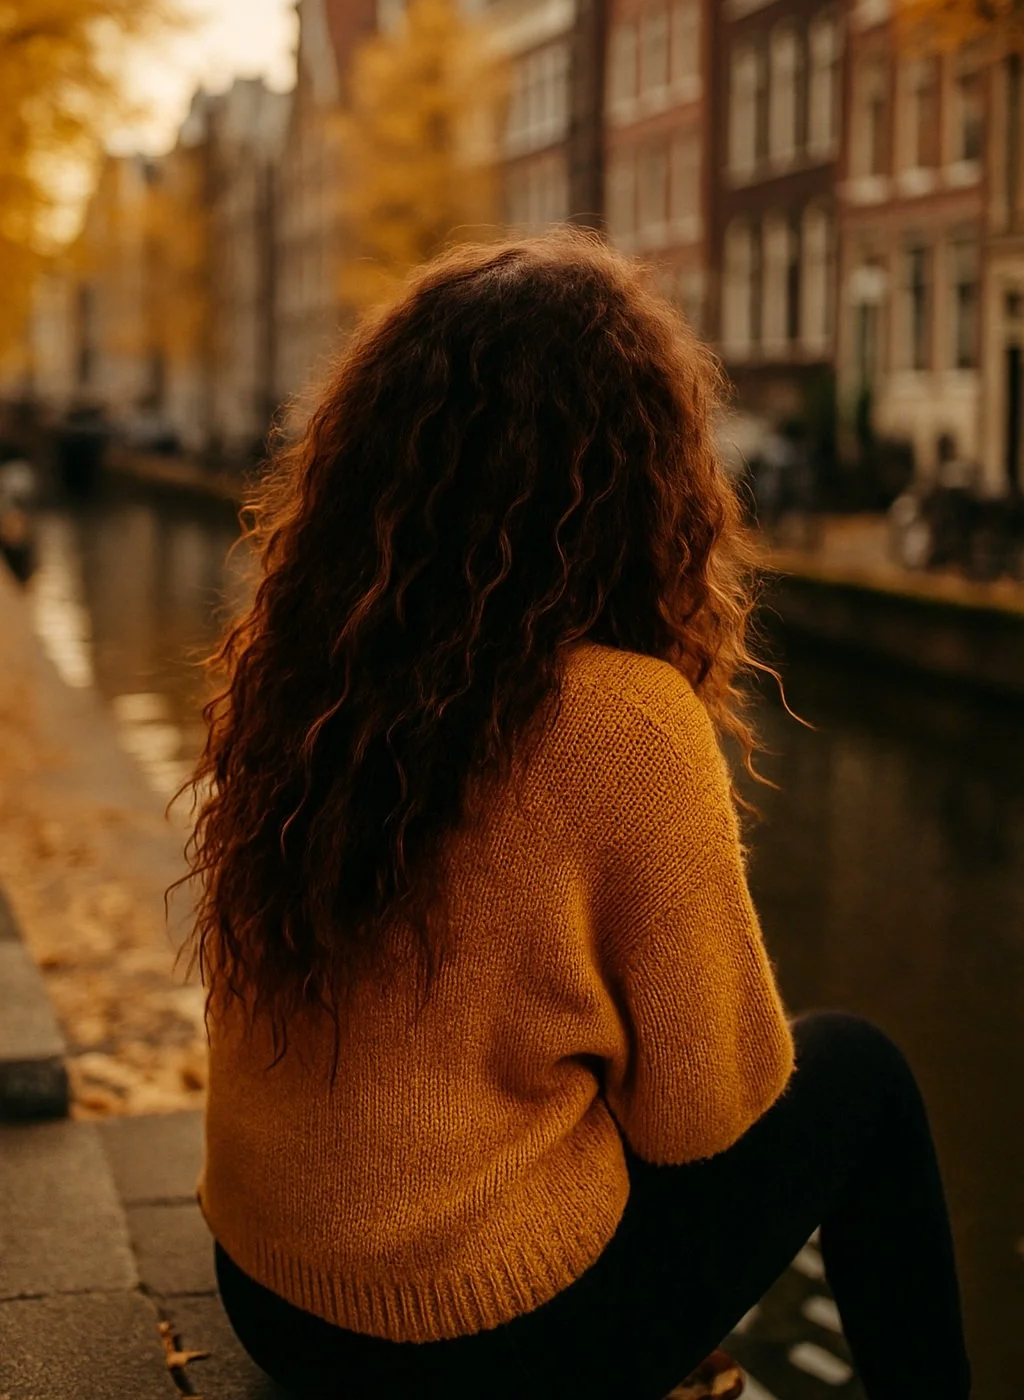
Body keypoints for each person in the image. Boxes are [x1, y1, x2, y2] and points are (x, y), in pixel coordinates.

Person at [179, 231, 971, 1400]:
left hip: (272, 1295)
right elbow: (699, 1118)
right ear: (641, 475)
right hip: (470, 1345)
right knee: (863, 1074)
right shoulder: (622, 724)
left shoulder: (307, 673)